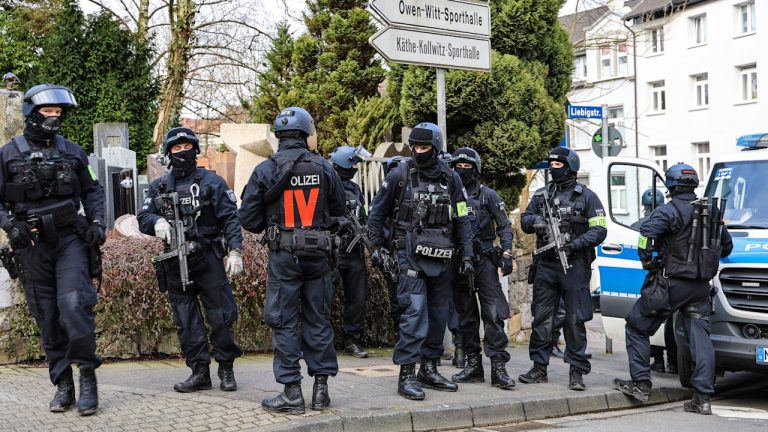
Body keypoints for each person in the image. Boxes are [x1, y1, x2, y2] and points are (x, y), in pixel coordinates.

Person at [0, 85, 105, 415]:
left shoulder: (74, 152)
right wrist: (9, 225)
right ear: (32, 113)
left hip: (69, 240)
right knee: (47, 317)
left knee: (74, 304)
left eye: (59, 112)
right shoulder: (8, 154)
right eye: (48, 111)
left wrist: (98, 223)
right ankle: (63, 384)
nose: (55, 117)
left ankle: (87, 376)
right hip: (30, 245)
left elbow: (94, 190)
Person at [239, 107, 346, 415]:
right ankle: (321, 391)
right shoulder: (325, 167)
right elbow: (339, 209)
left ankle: (291, 394)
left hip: (284, 256)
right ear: (306, 134)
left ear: (279, 136)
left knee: (284, 322)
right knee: (318, 319)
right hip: (319, 256)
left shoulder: (265, 170)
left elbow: (248, 220)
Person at [367, 122, 474, 400]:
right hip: (408, 256)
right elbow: (376, 215)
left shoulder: (452, 179)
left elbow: (463, 219)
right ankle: (407, 374)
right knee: (414, 314)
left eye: (424, 147)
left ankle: (429, 368)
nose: (418, 151)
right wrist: (376, 248)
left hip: (443, 257)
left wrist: (468, 256)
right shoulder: (399, 175)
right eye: (414, 146)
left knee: (438, 316)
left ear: (436, 148)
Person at [615, 163, 732, 415]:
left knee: (636, 326)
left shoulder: (667, 211)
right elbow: (727, 245)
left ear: (670, 185)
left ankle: (641, 385)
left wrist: (647, 259)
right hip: (701, 288)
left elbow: (646, 233)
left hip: (672, 285)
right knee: (701, 340)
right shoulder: (710, 212)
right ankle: (702, 398)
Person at [138, 127, 244, 393]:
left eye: (187, 148)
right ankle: (199, 372)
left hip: (207, 256)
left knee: (221, 317)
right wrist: (157, 222)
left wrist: (235, 251)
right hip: (176, 261)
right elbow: (143, 217)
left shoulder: (212, 182)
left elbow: (230, 218)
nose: (182, 153)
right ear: (168, 154)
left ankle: (226, 368)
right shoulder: (159, 186)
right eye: (176, 149)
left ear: (195, 150)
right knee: (186, 321)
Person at [519, 147, 607, 391]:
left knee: (574, 320)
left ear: (570, 167)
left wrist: (575, 243)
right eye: (551, 166)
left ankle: (577, 371)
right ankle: (539, 367)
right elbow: (524, 220)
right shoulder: (541, 195)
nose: (553, 170)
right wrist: (535, 222)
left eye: (558, 165)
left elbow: (600, 229)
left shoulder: (587, 197)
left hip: (575, 265)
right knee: (542, 319)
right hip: (546, 265)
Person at [448, 148, 516, 390]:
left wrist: (506, 253)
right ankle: (473, 364)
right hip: (459, 262)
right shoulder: (450, 194)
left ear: (475, 170)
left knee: (494, 315)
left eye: (467, 167)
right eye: (458, 166)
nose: (462, 170)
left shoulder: (488, 195)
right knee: (465, 316)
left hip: (485, 261)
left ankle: (498, 366)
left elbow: (505, 226)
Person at [329, 145, 371, 358]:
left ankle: (352, 340)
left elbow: (362, 215)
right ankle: (320, 341)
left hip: (354, 252)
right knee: (323, 297)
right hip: (333, 251)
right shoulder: (327, 186)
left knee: (357, 297)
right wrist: (338, 222)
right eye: (353, 163)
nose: (355, 167)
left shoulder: (355, 189)